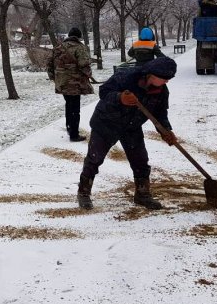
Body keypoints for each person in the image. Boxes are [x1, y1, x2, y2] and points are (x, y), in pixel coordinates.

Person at [77, 56, 178, 211]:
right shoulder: (126, 77)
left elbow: (160, 114)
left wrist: (166, 131)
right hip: (106, 123)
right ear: (151, 74)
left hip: (132, 126)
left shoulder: (161, 91)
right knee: (94, 158)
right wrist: (120, 98)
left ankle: (142, 194)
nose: (167, 82)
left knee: (140, 160)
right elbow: (104, 92)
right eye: (164, 79)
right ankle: (83, 192)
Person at [47, 27, 94, 142]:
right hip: (75, 83)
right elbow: (84, 64)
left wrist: (55, 78)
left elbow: (49, 65)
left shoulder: (57, 48)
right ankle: (74, 134)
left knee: (69, 105)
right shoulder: (80, 48)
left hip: (62, 82)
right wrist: (88, 75)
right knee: (75, 108)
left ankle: (70, 128)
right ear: (79, 37)